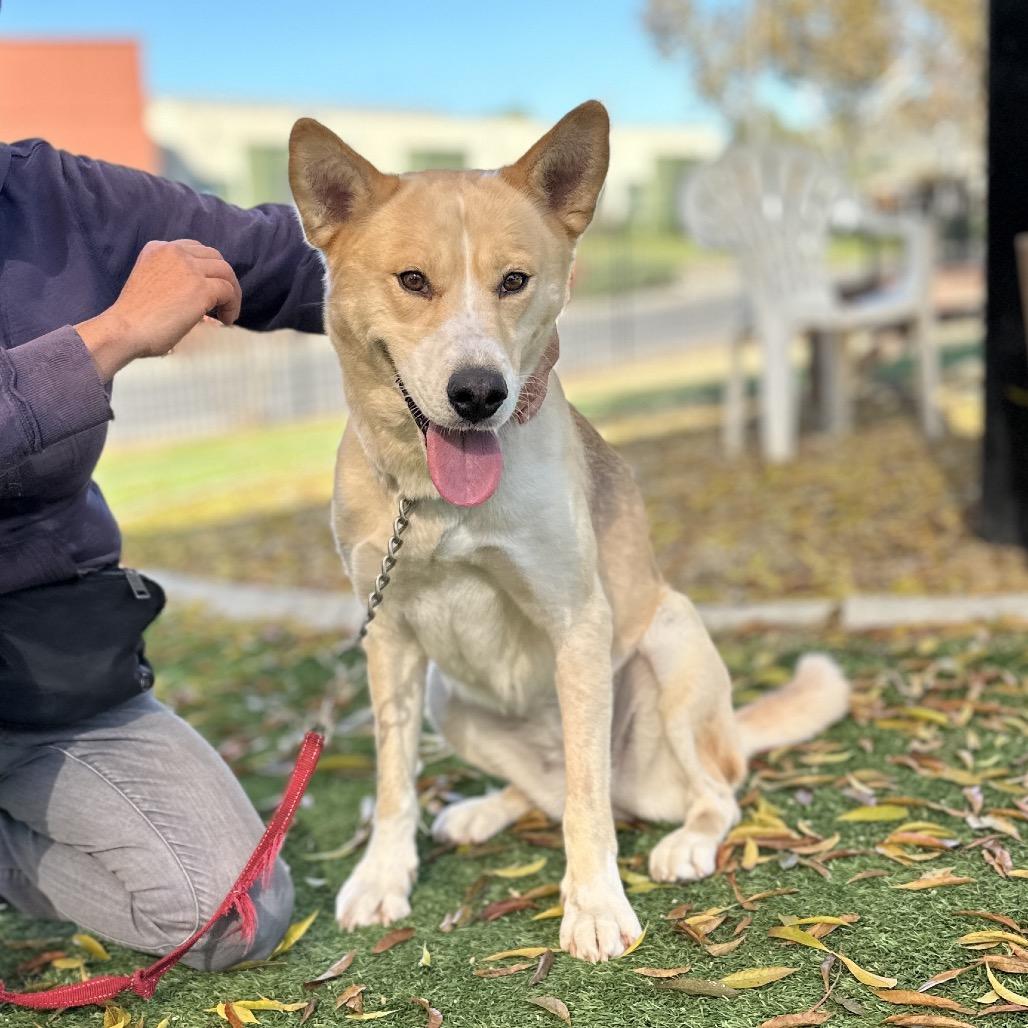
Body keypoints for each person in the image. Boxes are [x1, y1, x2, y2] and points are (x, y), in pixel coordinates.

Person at [0, 139, 326, 970]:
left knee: (235, 912)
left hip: (44, 657)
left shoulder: (48, 193)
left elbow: (291, 256)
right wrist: (107, 338)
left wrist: (475, 270)